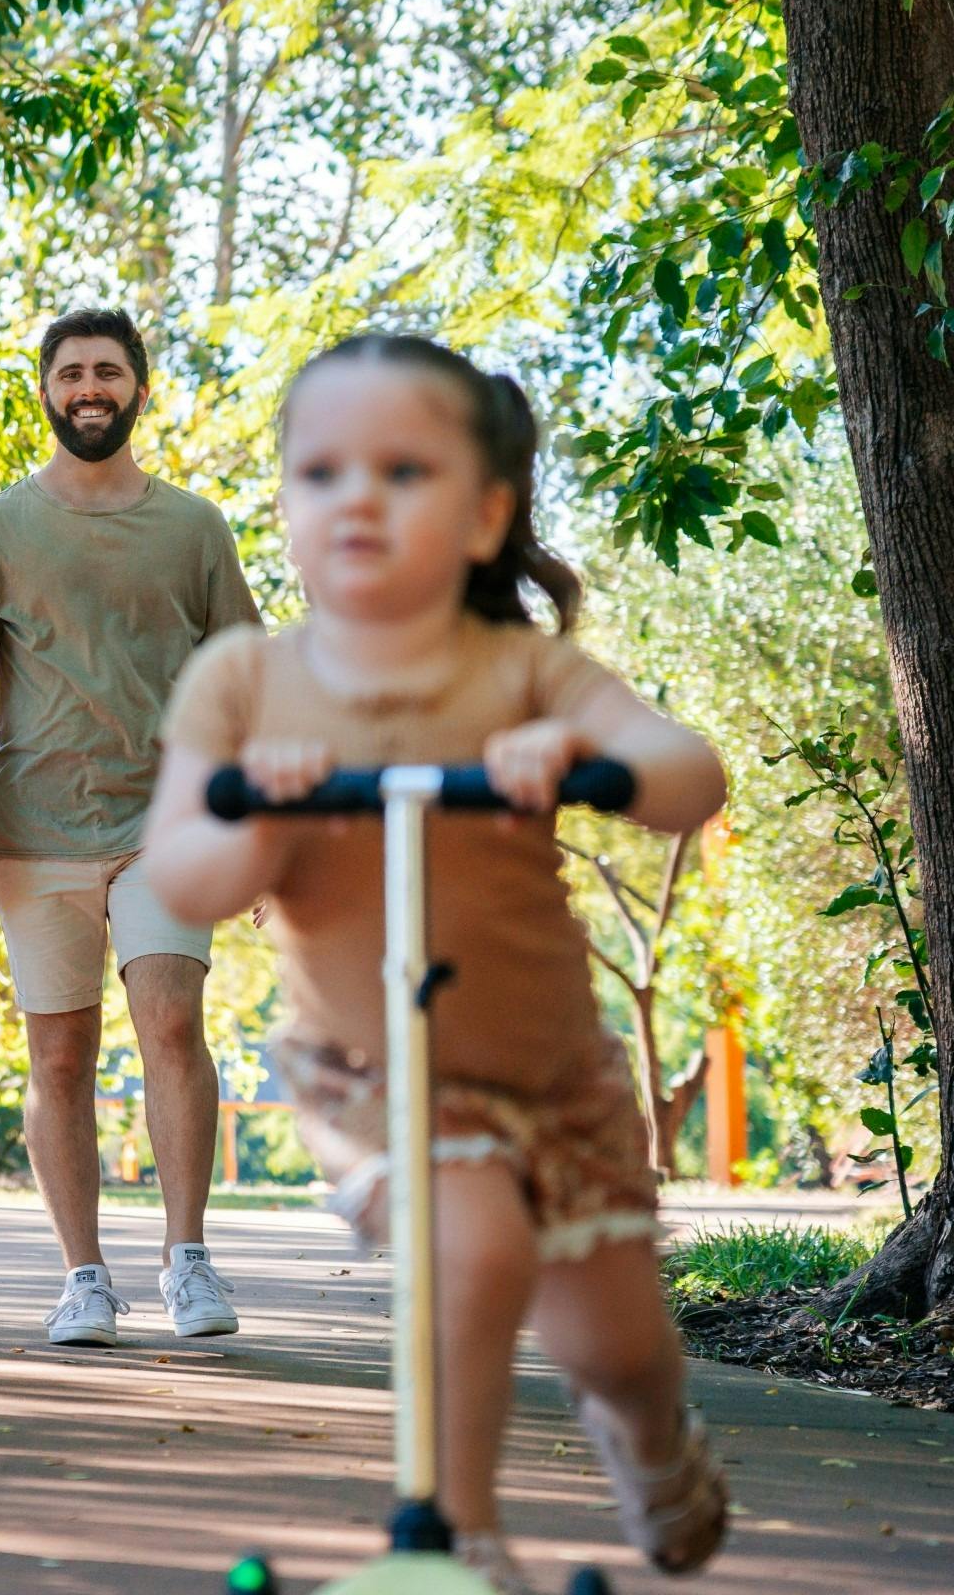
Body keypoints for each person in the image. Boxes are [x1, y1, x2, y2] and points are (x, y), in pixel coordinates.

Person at [137, 332, 731, 1593]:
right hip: (375, 1071)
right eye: (323, 471)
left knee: (618, 1347)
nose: (358, 497)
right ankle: (457, 1533)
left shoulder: (521, 670)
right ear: (287, 502)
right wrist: (264, 820)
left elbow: (687, 775)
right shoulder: (243, 680)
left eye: (404, 471)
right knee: (473, 1243)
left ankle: (650, 1436)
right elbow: (183, 869)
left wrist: (579, 756)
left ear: (485, 515)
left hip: (554, 1077)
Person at [0, 309, 262, 1347]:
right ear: (47, 392)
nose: (89, 387)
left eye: (108, 370)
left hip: (170, 824)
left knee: (170, 1021)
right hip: (35, 829)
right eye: (70, 373)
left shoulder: (194, 527)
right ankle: (85, 1277)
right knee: (58, 1057)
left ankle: (188, 1260)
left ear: (140, 389)